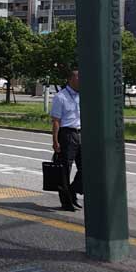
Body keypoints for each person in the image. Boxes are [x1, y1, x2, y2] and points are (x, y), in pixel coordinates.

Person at [50, 69, 83, 211]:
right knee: (65, 169)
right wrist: (55, 141)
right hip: (67, 134)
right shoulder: (60, 97)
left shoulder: (82, 96)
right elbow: (56, 121)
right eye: (78, 78)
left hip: (81, 133)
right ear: (70, 79)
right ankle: (66, 202)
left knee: (86, 167)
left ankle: (72, 190)